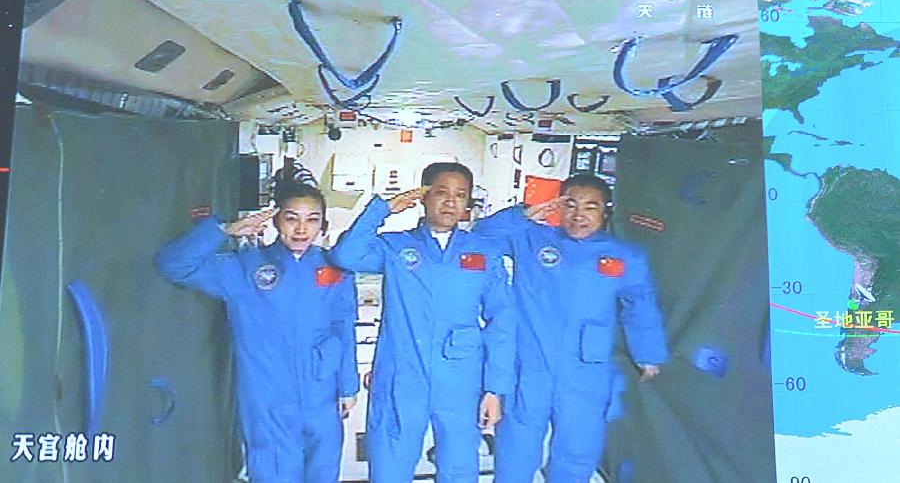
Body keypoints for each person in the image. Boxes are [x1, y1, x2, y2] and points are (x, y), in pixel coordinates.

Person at [155, 181, 358, 483]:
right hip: (269, 398)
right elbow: (174, 265)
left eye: (312, 219)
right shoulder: (245, 269)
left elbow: (344, 327)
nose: (301, 228)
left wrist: (348, 386)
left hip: (322, 395)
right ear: (275, 220)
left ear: (322, 224)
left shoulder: (334, 270)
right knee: (274, 471)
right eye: (292, 217)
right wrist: (223, 230)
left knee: (324, 471)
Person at [473, 173, 669, 483]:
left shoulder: (624, 255)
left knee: (577, 453)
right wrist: (524, 213)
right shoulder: (531, 239)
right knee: (515, 452)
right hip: (530, 366)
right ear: (558, 207)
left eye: (590, 207)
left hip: (585, 371)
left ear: (605, 211)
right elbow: (480, 238)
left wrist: (648, 354)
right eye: (570, 204)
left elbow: (640, 305)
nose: (579, 215)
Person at [329, 162, 514, 483]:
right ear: (423, 197)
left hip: (461, 379)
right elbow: (346, 256)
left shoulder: (483, 254)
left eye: (460, 195)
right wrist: (382, 209)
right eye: (441, 193)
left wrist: (495, 389)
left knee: (459, 469)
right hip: (402, 376)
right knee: (389, 466)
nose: (450, 202)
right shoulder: (396, 247)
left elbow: (502, 323)